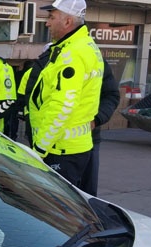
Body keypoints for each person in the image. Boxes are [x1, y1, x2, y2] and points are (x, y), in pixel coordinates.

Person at [27, 0, 104, 188]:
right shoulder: (80, 46)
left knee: (58, 212)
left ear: (67, 21)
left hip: (61, 150)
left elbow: (63, 105)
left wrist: (39, 149)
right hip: (68, 148)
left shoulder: (73, 54)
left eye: (52, 17)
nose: (47, 23)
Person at [80, 60, 120, 196]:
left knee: (87, 195)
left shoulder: (96, 61)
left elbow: (111, 95)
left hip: (89, 139)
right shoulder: (49, 58)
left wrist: (96, 119)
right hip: (49, 142)